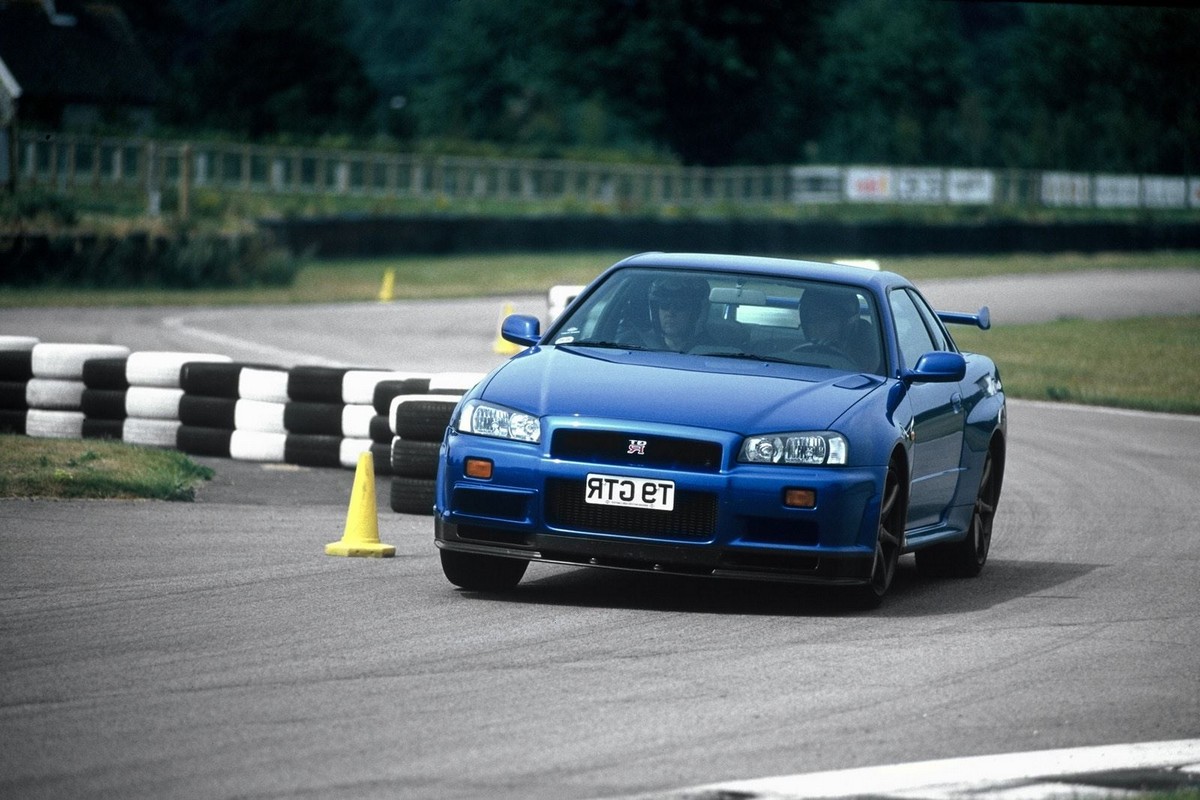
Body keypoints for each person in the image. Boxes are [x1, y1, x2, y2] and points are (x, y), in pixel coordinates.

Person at [647, 275, 711, 351]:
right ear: (655, 312)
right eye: (664, 305)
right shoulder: (637, 346)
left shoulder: (712, 350)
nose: (670, 313)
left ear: (695, 314)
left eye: (680, 306)